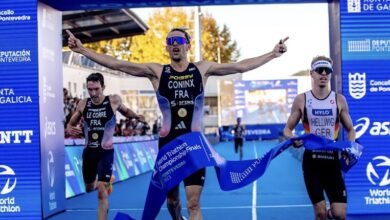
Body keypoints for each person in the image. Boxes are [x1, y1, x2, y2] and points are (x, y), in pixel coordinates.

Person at [67, 28, 288, 220]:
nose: (174, 45)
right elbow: (119, 64)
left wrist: (271, 54)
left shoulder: (202, 69)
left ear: (188, 45)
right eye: (170, 42)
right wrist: (82, 50)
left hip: (194, 145)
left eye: (179, 41)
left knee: (194, 203)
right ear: (167, 47)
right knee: (172, 201)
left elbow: (240, 66)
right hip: (168, 146)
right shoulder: (157, 72)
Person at [283, 56, 356, 220]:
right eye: (319, 70)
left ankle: (331, 213)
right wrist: (294, 139)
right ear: (312, 73)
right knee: (320, 213)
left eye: (327, 71)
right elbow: (287, 129)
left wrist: (350, 146)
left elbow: (351, 129)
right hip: (312, 162)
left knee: (339, 214)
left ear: (331, 74)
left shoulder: (339, 100)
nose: (323, 74)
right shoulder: (302, 99)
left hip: (332, 162)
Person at [66, 72, 141, 220]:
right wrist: (69, 127)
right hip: (89, 153)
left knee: (101, 191)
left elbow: (126, 112)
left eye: (96, 89)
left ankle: (105, 187)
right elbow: (72, 122)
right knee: (89, 188)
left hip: (106, 152)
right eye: (90, 89)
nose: (93, 93)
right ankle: (107, 181)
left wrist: (137, 116)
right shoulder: (83, 103)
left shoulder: (113, 101)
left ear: (103, 87)